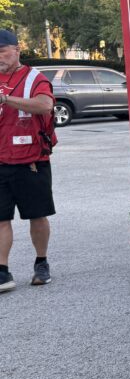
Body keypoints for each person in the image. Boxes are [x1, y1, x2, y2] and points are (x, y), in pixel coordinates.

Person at [0, 28, 56, 291]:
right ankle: (2, 271)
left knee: (37, 216)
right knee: (1, 219)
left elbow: (45, 105)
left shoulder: (35, 78)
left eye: (2, 51)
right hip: (1, 161)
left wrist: (6, 99)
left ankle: (41, 262)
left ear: (17, 50)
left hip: (31, 160)